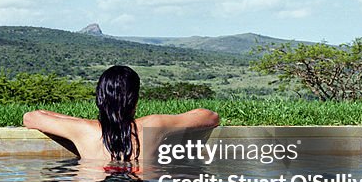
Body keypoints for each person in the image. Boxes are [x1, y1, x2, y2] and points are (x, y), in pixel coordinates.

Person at [22, 64, 220, 162]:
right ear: (134, 99)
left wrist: (79, 122)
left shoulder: (84, 131)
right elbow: (210, 116)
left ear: (99, 98)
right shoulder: (154, 124)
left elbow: (31, 117)